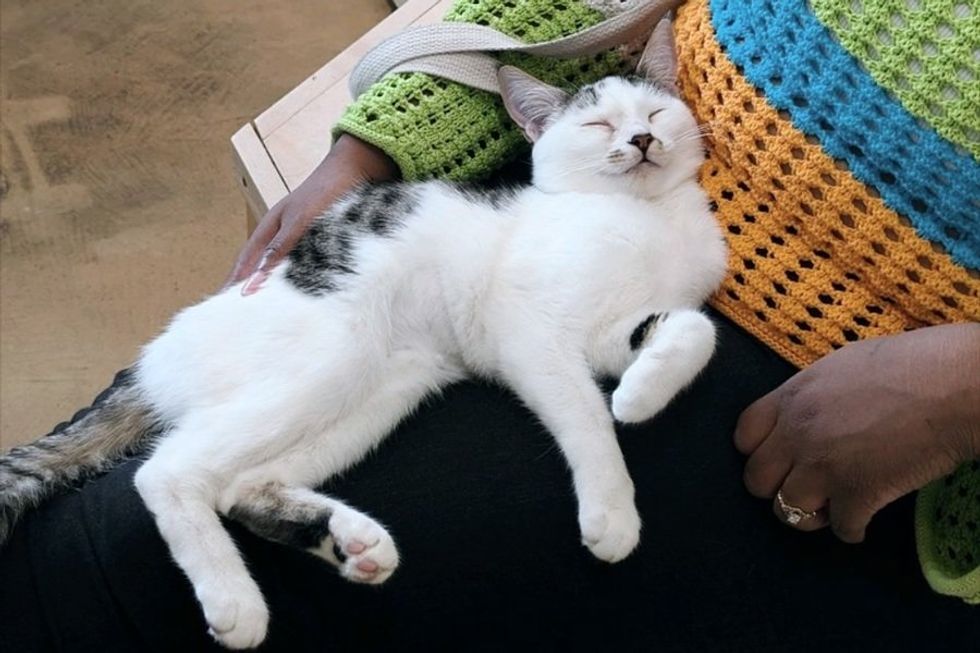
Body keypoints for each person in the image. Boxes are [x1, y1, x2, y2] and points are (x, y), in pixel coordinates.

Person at [2, 0, 977, 651]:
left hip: (851, 378)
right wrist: (372, 148)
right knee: (78, 501)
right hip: (581, 191)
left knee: (130, 566)